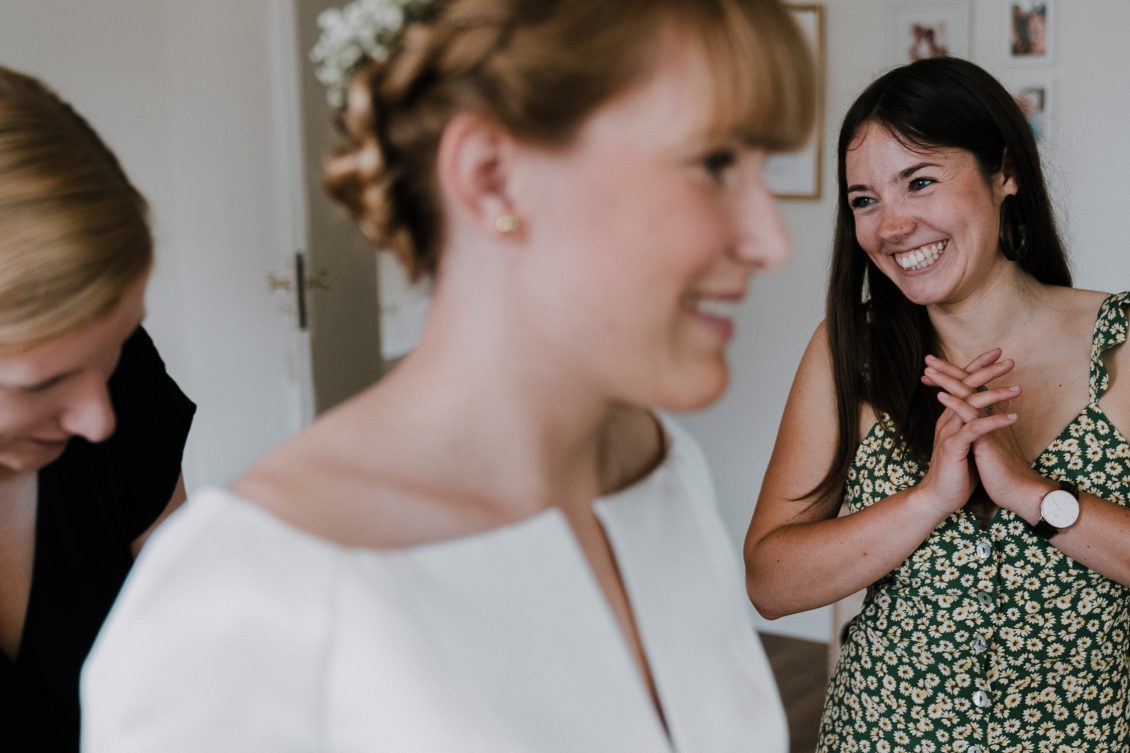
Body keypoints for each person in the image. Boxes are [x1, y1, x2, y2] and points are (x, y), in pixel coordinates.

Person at [81, 0, 815, 750]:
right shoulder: (243, 598)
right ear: (493, 178)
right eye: (716, 164)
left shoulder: (662, 472)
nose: (771, 239)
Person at [745, 56, 1129, 752]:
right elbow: (771, 582)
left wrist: (1033, 493)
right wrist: (929, 498)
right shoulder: (849, 351)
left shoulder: (1122, 343)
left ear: (1005, 173)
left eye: (919, 182)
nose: (891, 227)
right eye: (864, 200)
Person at [0, 67, 194, 752]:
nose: (96, 419)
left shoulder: (126, 388)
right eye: (41, 380)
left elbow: (187, 666)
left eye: (110, 346)